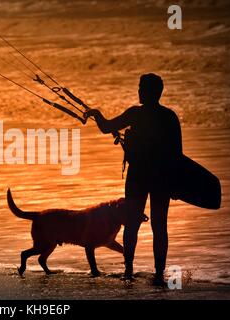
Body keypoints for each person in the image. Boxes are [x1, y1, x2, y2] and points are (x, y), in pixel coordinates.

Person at [84, 73, 182, 285]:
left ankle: (128, 270)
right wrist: (175, 184)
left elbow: (106, 127)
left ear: (148, 92)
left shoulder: (135, 114)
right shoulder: (169, 117)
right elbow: (177, 154)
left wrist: (95, 113)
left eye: (140, 87)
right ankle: (159, 274)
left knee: (131, 226)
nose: (138, 91)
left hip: (138, 177)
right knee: (160, 226)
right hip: (162, 178)